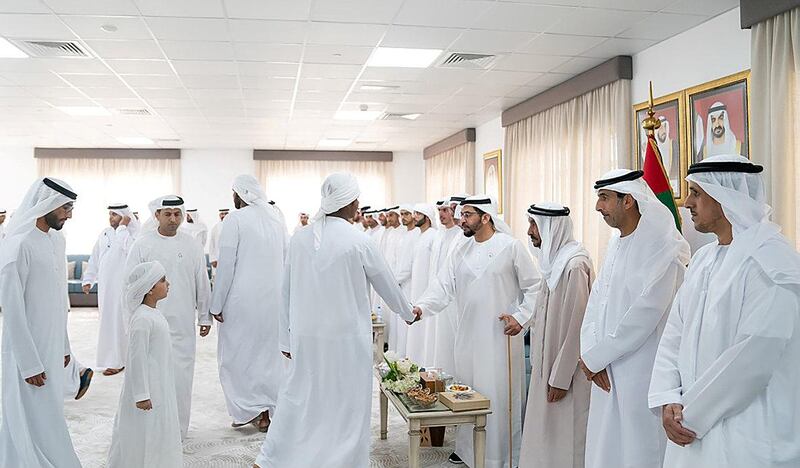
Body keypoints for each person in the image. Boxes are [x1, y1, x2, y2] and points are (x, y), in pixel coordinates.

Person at [253, 172, 420, 468]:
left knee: (301, 396)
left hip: (306, 336)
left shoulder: (301, 238)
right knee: (346, 402)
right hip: (346, 339)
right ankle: (343, 460)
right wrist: (408, 313)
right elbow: (387, 284)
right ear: (351, 203)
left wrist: (284, 338)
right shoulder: (357, 240)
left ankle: (275, 457)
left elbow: (286, 291)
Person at [649, 155, 800, 467]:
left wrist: (691, 415)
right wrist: (667, 396)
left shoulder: (773, 263)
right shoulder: (704, 259)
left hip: (747, 431)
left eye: (696, 193)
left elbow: (752, 358)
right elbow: (673, 334)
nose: (687, 203)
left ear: (725, 198)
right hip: (688, 425)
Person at [414, 195, 539, 468]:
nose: (462, 220)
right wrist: (421, 308)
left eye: (468, 215)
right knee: (468, 394)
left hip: (500, 338)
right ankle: (470, 455)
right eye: (462, 214)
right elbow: (442, 287)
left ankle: (501, 458)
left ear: (486, 217)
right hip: (468, 338)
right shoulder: (460, 251)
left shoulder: (511, 247)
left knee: (497, 396)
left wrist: (520, 318)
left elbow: (535, 287)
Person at [579, 169, 690, 468]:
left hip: (641, 371)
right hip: (604, 369)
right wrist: (590, 355)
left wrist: (596, 357)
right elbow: (596, 302)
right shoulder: (616, 243)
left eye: (604, 198)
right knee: (605, 447)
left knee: (637, 449)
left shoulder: (664, 248)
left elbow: (644, 316)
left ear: (628, 200)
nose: (598, 207)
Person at [0, 177, 81, 467]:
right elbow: (12, 308)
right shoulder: (18, 245)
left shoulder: (56, 240)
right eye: (65, 207)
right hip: (27, 350)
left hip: (52, 344)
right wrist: (29, 363)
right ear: (46, 203)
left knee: (49, 410)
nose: (69, 214)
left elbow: (59, 301)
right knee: (25, 411)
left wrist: (64, 346)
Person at [125, 195, 212, 438]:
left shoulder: (192, 244)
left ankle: (178, 431)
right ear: (157, 216)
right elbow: (128, 284)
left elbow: (201, 282)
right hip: (151, 323)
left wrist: (204, 316)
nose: (173, 219)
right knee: (153, 376)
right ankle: (154, 429)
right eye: (168, 214)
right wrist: (130, 319)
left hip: (183, 322)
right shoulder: (143, 244)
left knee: (182, 378)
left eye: (177, 214)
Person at [211, 175, 288, 432]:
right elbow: (288, 261)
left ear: (240, 194)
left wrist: (216, 304)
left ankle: (249, 410)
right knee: (269, 355)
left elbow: (226, 265)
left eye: (233, 193)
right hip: (274, 301)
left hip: (242, 301)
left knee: (238, 354)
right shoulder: (277, 217)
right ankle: (268, 409)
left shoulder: (236, 219)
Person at [519, 203, 594, 468]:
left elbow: (578, 325)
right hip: (546, 368)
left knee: (565, 440)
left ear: (552, 228)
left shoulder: (574, 266)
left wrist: (560, 377)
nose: (530, 231)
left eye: (534, 225)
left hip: (565, 375)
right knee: (545, 438)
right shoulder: (554, 264)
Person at [107, 261, 183, 468]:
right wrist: (141, 394)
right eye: (163, 280)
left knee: (158, 429)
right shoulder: (142, 319)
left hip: (159, 384)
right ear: (149, 288)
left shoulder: (154, 314)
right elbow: (136, 358)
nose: (168, 284)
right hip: (147, 388)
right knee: (142, 431)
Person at [82, 203, 140, 376]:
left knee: (121, 321)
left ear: (124, 215)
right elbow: (95, 257)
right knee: (108, 321)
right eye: (110, 214)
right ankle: (110, 359)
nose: (111, 218)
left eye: (115, 214)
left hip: (123, 286)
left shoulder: (134, 234)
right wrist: (88, 279)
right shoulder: (105, 233)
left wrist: (123, 227)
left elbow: (131, 251)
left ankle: (120, 361)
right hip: (106, 287)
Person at [422, 196, 466, 372]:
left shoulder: (462, 235)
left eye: (446, 210)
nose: (443, 214)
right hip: (438, 296)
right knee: (438, 339)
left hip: (453, 299)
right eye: (440, 210)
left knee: (451, 340)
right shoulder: (440, 234)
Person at [405, 203, 438, 365]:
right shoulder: (420, 236)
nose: (415, 216)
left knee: (425, 331)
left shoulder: (433, 235)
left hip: (426, 289)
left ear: (427, 217)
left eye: (418, 214)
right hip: (416, 287)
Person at [391, 205, 420, 357]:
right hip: (400, 285)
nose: (404, 217)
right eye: (402, 214)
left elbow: (409, 265)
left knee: (408, 325)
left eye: (407, 214)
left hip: (409, 285)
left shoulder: (416, 235)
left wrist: (395, 280)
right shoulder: (403, 235)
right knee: (399, 326)